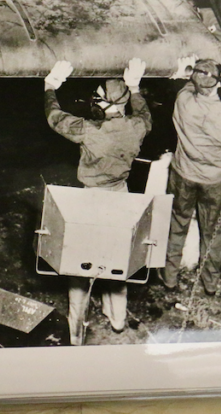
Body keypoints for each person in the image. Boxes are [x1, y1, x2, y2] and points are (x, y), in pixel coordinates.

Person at [44, 58, 151, 344]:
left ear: (101, 104)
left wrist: (50, 87)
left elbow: (55, 118)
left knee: (81, 267)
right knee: (118, 260)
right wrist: (135, 87)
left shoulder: (89, 131)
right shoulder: (137, 127)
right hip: (121, 196)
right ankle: (117, 318)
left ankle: (76, 330)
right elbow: (144, 113)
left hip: (90, 202)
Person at [163, 58, 221, 296]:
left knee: (177, 224)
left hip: (183, 174)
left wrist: (189, 72)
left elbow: (188, 88)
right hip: (214, 181)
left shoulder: (183, 102)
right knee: (212, 230)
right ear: (219, 84)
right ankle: (210, 283)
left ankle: (169, 279)